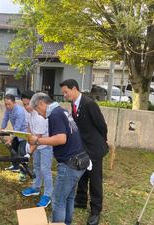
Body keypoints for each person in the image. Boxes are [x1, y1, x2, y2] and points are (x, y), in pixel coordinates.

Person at [28, 92, 86, 225]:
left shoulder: (54, 114)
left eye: (37, 109)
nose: (38, 113)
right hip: (79, 160)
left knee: (58, 199)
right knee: (68, 198)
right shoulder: (61, 110)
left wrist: (37, 141)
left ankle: (58, 223)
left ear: (42, 103)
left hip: (69, 164)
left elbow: (61, 138)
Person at [60, 79, 108, 225]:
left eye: (65, 92)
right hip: (82, 147)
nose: (64, 95)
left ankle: (95, 211)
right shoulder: (73, 104)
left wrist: (102, 141)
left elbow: (101, 125)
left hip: (94, 148)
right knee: (82, 175)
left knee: (95, 180)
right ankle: (80, 201)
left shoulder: (89, 103)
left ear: (74, 89)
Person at [20, 91, 53, 207]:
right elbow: (29, 127)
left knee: (45, 170)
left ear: (34, 103)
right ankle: (36, 188)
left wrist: (28, 153)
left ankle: (48, 195)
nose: (26, 107)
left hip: (46, 146)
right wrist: (28, 141)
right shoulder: (28, 113)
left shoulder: (40, 116)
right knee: (36, 167)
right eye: (24, 104)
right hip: (36, 145)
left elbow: (38, 138)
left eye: (28, 104)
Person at [1, 94, 28, 176]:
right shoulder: (8, 109)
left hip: (24, 132)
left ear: (14, 102)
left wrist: (10, 139)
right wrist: (2, 130)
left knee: (22, 151)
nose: (7, 106)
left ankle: (24, 170)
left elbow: (17, 127)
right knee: (13, 148)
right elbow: (5, 119)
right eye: (5, 104)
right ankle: (15, 166)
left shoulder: (19, 111)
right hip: (16, 133)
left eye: (9, 104)